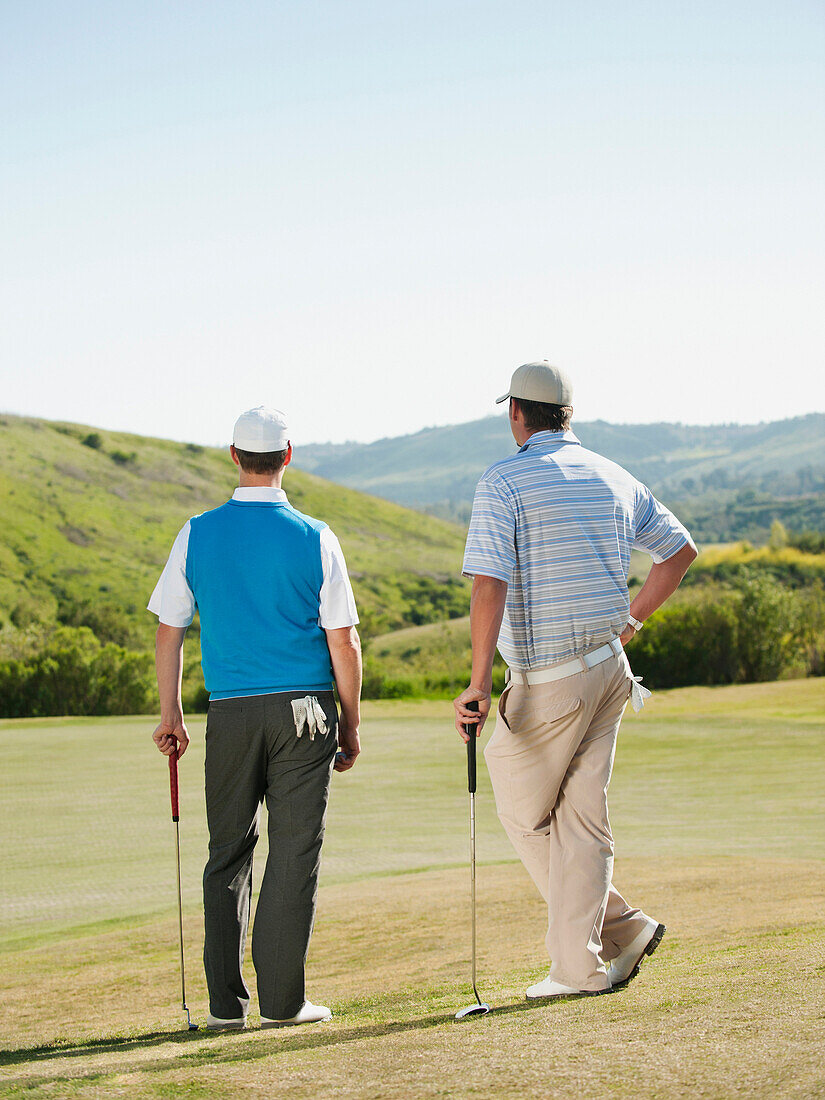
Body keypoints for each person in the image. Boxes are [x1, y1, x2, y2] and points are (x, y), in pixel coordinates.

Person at [453, 362, 697, 1000]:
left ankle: (593, 950)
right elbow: (679, 550)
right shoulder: (611, 474)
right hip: (609, 671)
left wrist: (479, 681)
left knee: (523, 808)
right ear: (567, 413)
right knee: (581, 820)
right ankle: (600, 947)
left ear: (516, 414)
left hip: (551, 679)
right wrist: (632, 623)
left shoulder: (504, 479)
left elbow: (488, 582)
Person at [148, 405, 362, 1029]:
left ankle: (224, 1006)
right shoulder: (315, 534)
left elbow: (169, 632)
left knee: (228, 851)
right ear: (287, 456)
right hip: (304, 712)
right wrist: (350, 724)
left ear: (234, 456)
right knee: (294, 852)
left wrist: (173, 715)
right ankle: (283, 1004)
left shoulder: (196, 532)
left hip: (231, 715)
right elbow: (343, 641)